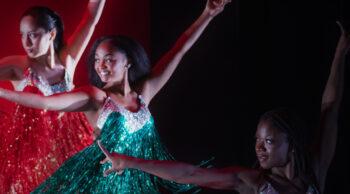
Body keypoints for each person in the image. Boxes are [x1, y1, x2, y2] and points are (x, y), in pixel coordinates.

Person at [0, 0, 231, 192]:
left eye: (108, 59)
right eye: (97, 60)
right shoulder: (95, 97)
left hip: (133, 186)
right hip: (95, 183)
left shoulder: (144, 95)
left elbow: (179, 50)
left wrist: (208, 14)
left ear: (128, 61)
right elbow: (45, 102)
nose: (100, 66)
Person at [95, 21, 348, 194]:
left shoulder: (315, 171)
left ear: (291, 143)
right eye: (257, 140)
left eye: (269, 141)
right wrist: (129, 162)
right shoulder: (253, 181)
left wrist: (341, 52)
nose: (258, 148)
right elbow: (189, 174)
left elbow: (330, 107)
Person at [0, 1, 106, 193]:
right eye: (22, 35)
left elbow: (90, 19)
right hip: (30, 161)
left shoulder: (67, 61)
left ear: (51, 34)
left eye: (32, 35)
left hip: (67, 150)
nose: (26, 42)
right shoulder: (20, 66)